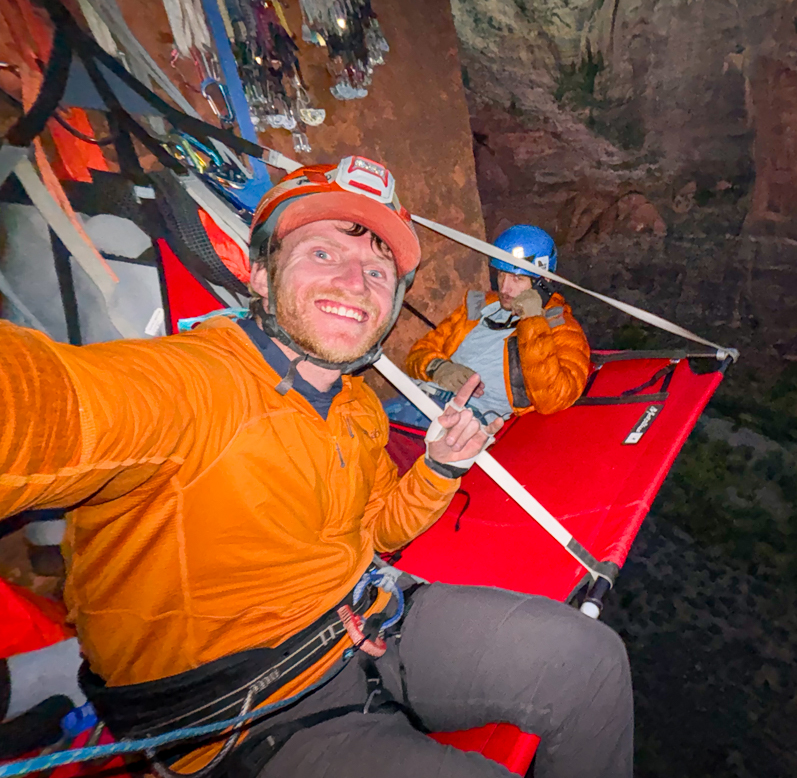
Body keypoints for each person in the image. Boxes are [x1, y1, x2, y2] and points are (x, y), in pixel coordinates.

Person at [0, 156, 633, 777]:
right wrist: (444, 372)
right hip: (251, 709)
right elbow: (42, 404)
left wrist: (440, 466)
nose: (357, 283)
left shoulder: (358, 406)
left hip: (368, 614)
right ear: (258, 274)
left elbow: (378, 528)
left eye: (379, 271)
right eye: (323, 254)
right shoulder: (189, 383)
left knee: (592, 660)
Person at [385, 225, 590, 429]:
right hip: (413, 400)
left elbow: (552, 400)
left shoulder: (563, 330)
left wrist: (533, 321)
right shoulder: (479, 308)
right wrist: (439, 368)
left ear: (543, 282)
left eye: (517, 278)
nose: (504, 288)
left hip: (461, 424)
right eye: (501, 275)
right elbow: (417, 354)